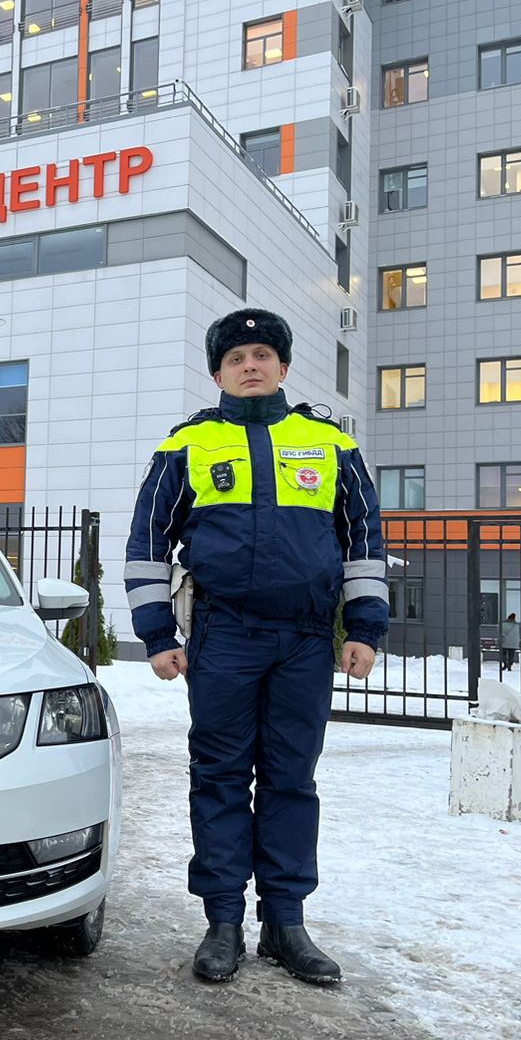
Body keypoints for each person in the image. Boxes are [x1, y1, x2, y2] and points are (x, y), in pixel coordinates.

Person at [124, 308, 387, 985]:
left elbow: (364, 542)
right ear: (217, 371)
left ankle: (286, 922)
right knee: (218, 777)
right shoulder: (187, 447)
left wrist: (364, 629)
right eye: (237, 356)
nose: (251, 364)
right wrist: (157, 635)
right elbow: (147, 544)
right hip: (224, 638)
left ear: (283, 366)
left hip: (303, 641)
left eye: (263, 354)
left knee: (291, 779)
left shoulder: (330, 445)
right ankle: (222, 922)